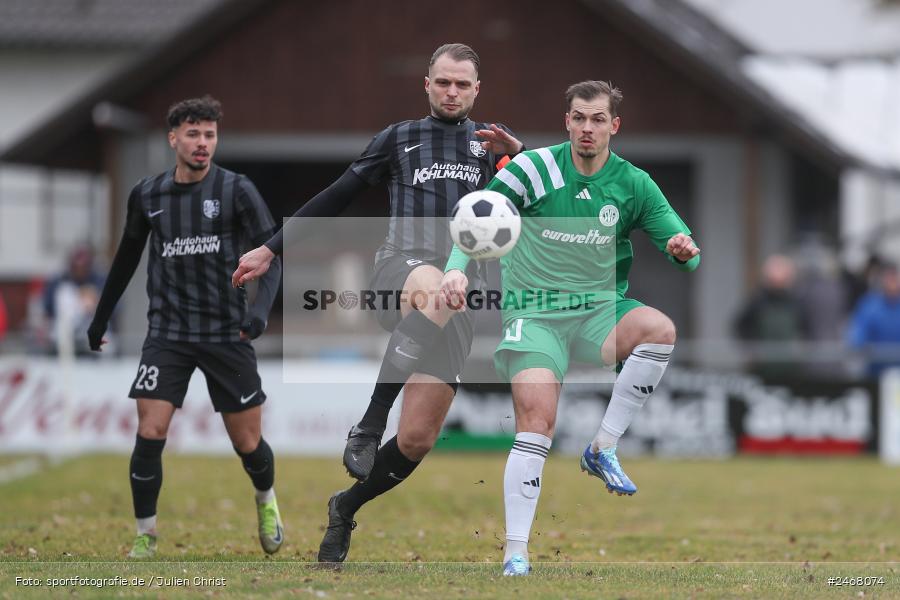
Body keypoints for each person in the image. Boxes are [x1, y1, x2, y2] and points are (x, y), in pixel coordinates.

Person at [231, 43, 523, 563]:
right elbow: (336, 196)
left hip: (458, 299)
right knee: (434, 288)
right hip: (400, 273)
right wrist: (271, 249)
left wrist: (519, 158)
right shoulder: (398, 138)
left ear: (478, 90)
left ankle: (345, 507)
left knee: (415, 440)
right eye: (443, 82)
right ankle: (368, 423)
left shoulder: (492, 148)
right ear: (427, 84)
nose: (452, 91)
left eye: (462, 84)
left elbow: (539, 202)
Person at [441, 80, 700, 575]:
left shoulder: (634, 183)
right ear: (567, 121)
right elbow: (479, 219)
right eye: (579, 117)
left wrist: (683, 250)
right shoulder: (532, 168)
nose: (587, 128)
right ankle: (516, 551)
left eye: (598, 119)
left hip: (600, 313)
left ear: (613, 126)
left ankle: (602, 448)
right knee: (537, 424)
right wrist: (455, 267)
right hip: (535, 315)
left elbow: (686, 250)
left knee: (659, 329)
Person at [86, 96, 284, 558]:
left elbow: (272, 257)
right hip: (168, 335)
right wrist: (101, 317)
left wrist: (259, 314)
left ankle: (266, 500)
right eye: (193, 134)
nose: (202, 143)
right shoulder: (147, 195)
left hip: (226, 333)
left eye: (209, 135)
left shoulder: (236, 190)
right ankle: (146, 534)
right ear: (173, 138)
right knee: (150, 430)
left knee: (248, 442)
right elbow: (126, 258)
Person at [734, 254, 809, 377]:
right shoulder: (757, 301)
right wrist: (752, 351)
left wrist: (801, 350)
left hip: (791, 370)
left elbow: (806, 329)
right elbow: (740, 326)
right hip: (762, 370)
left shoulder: (797, 302)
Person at [42, 244, 106, 355]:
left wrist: (93, 303)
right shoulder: (60, 283)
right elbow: (48, 309)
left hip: (94, 334)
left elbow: (115, 309)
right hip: (63, 337)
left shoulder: (99, 283)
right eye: (77, 267)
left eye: (83, 267)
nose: (80, 270)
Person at [848, 263, 900, 378]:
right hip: (875, 374)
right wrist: (858, 344)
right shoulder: (870, 304)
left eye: (894, 279)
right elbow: (857, 332)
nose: (892, 283)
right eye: (889, 279)